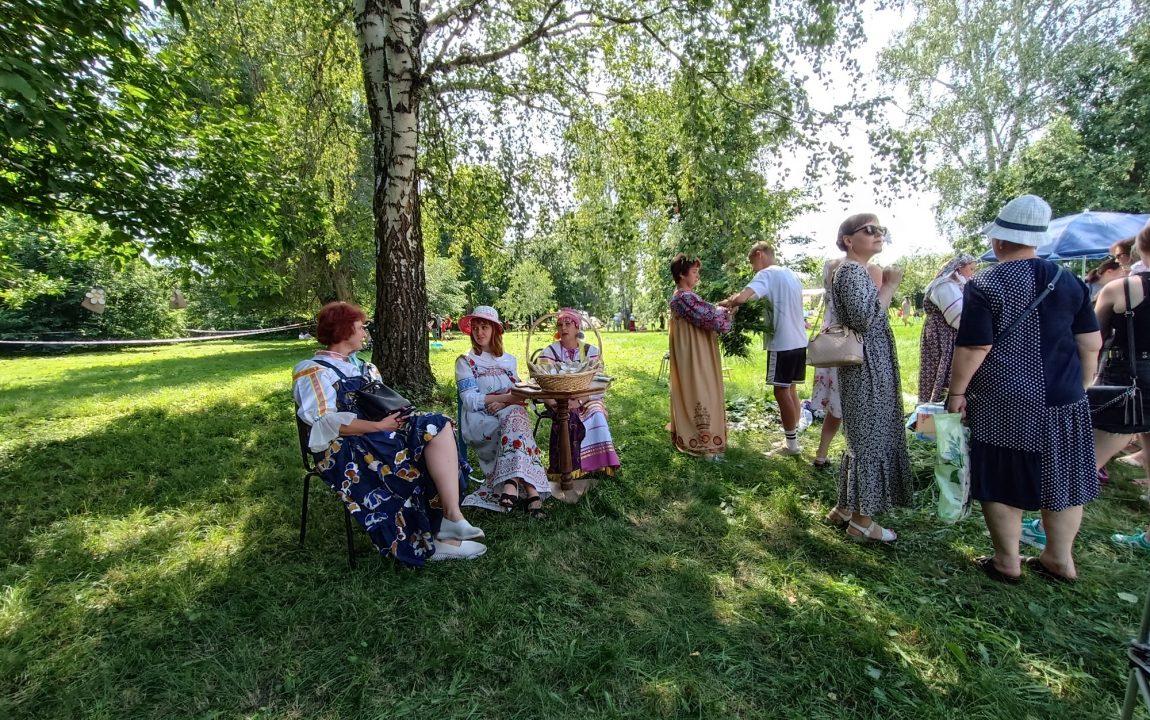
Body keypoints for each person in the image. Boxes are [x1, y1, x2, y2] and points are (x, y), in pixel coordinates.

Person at [947, 195, 1101, 583]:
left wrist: (956, 393)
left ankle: (1007, 561)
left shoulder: (984, 283)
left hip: (1004, 400)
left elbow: (974, 347)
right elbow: (1090, 343)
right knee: (1064, 476)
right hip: (1064, 397)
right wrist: (1081, 385)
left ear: (998, 241)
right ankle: (1059, 559)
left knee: (1002, 475)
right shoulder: (1069, 281)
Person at [292, 302, 486, 565]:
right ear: (343, 330)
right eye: (361, 328)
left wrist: (399, 418)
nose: (365, 333)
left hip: (380, 433)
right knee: (404, 453)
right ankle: (427, 543)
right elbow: (324, 423)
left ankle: (451, 519)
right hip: (342, 446)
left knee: (436, 426)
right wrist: (379, 427)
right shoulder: (314, 370)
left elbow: (383, 404)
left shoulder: (364, 367)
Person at [827, 213, 914, 542]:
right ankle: (862, 523)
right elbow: (865, 320)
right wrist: (890, 286)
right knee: (871, 437)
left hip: (869, 363)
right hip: (867, 368)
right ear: (849, 239)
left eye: (881, 231)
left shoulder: (855, 271)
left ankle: (847, 508)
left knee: (863, 435)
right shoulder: (850, 271)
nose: (879, 235)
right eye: (870, 230)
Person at [455, 305, 551, 518]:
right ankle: (531, 490)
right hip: (479, 418)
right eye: (476, 327)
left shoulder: (508, 360)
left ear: (495, 331)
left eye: (485, 327)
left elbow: (520, 394)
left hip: (508, 413)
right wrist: (507, 399)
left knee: (515, 414)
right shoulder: (466, 361)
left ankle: (512, 481)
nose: (479, 332)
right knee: (517, 417)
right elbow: (470, 400)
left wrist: (507, 403)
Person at [1091, 220, 1150, 550]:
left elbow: (1090, 339)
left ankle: (1048, 529)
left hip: (1130, 382)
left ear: (1140, 248)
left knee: (1090, 459)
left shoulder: (1121, 289)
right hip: (1137, 382)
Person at [719, 241, 808, 455]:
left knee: (780, 391)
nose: (753, 269)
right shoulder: (790, 274)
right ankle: (793, 436)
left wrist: (728, 303)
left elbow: (742, 297)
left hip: (782, 343)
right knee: (791, 389)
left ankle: (791, 445)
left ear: (759, 254)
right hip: (799, 342)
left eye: (752, 263)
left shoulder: (767, 274)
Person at [809, 257, 883, 470]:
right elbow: (872, 315)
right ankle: (862, 460)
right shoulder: (871, 270)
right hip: (855, 346)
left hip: (832, 343)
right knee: (859, 403)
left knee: (836, 402)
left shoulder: (831, 265)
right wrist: (889, 287)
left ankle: (821, 454)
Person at [537, 309, 621, 493]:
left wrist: (580, 401)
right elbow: (541, 382)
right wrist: (557, 403)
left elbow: (598, 381)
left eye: (568, 324)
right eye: (560, 324)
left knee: (597, 414)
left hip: (587, 398)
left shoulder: (591, 351)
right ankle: (567, 470)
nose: (563, 327)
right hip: (557, 401)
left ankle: (596, 465)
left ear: (577, 327)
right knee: (568, 417)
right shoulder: (549, 352)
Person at [667, 253, 733, 460]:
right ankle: (704, 445)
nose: (698, 276)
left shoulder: (686, 297)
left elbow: (708, 312)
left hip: (695, 350)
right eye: (694, 272)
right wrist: (729, 308)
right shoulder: (683, 298)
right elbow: (711, 318)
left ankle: (704, 442)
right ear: (681, 274)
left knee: (701, 388)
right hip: (694, 354)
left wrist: (721, 308)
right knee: (701, 389)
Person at [918, 254, 977, 403]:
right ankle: (937, 410)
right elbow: (958, 317)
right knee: (943, 370)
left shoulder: (953, 285)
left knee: (943, 370)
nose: (972, 273)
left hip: (944, 334)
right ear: (959, 268)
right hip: (942, 336)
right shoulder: (945, 285)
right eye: (971, 269)